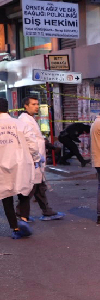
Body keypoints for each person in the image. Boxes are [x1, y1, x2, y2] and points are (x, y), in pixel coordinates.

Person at [15, 96, 63, 222]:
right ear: (26, 105)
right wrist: (35, 157)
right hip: (32, 160)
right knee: (31, 188)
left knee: (39, 187)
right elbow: (30, 141)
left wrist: (49, 146)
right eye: (33, 104)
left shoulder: (31, 119)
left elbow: (38, 138)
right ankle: (21, 213)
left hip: (38, 159)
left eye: (37, 104)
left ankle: (45, 211)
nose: (36, 106)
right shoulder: (24, 120)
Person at [0, 98, 39, 239]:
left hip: (2, 166)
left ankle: (15, 227)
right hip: (22, 163)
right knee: (23, 192)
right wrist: (36, 159)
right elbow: (33, 145)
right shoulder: (20, 124)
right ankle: (23, 219)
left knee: (6, 195)